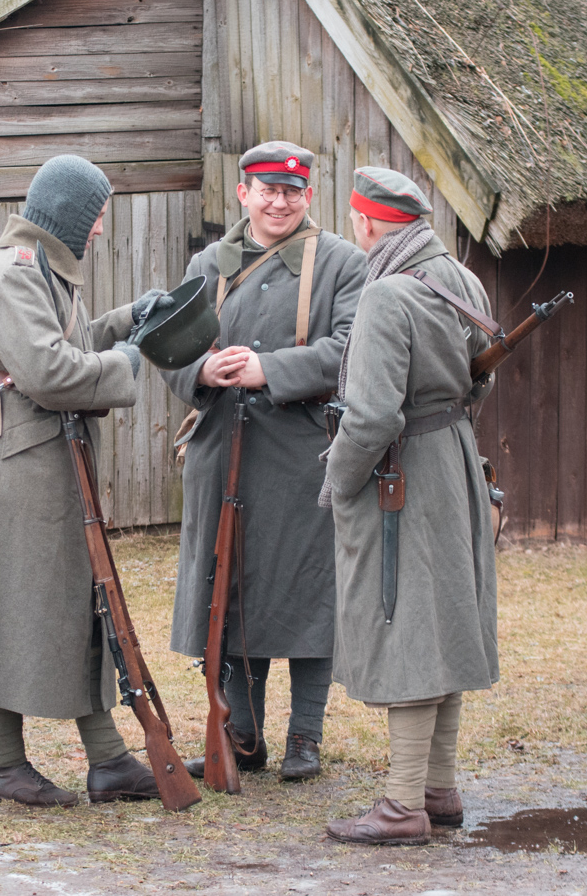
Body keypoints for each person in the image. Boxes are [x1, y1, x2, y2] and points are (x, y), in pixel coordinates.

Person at [0, 154, 172, 808]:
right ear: (68, 215)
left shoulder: (44, 272)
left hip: (43, 461)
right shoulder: (15, 274)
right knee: (23, 609)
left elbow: (72, 339)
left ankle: (106, 760)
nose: (98, 231)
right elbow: (49, 371)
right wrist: (123, 360)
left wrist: (128, 323)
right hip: (22, 467)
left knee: (69, 608)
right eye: (94, 217)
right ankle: (10, 765)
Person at [164, 141, 367, 781]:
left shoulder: (341, 262)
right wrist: (205, 368)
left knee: (310, 599)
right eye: (266, 190)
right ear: (244, 194)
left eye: (291, 191)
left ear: (308, 196)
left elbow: (352, 350)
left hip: (301, 458)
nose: (278, 201)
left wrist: (267, 369)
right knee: (231, 591)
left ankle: (304, 738)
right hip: (220, 452)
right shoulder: (209, 263)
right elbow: (170, 350)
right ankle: (242, 738)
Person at [319, 167, 499, 845]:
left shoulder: (387, 294)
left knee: (407, 622)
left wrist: (339, 479)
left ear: (366, 223)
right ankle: (437, 788)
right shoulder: (463, 280)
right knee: (442, 618)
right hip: (452, 458)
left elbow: (368, 417)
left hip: (402, 475)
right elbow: (483, 375)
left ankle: (401, 803)